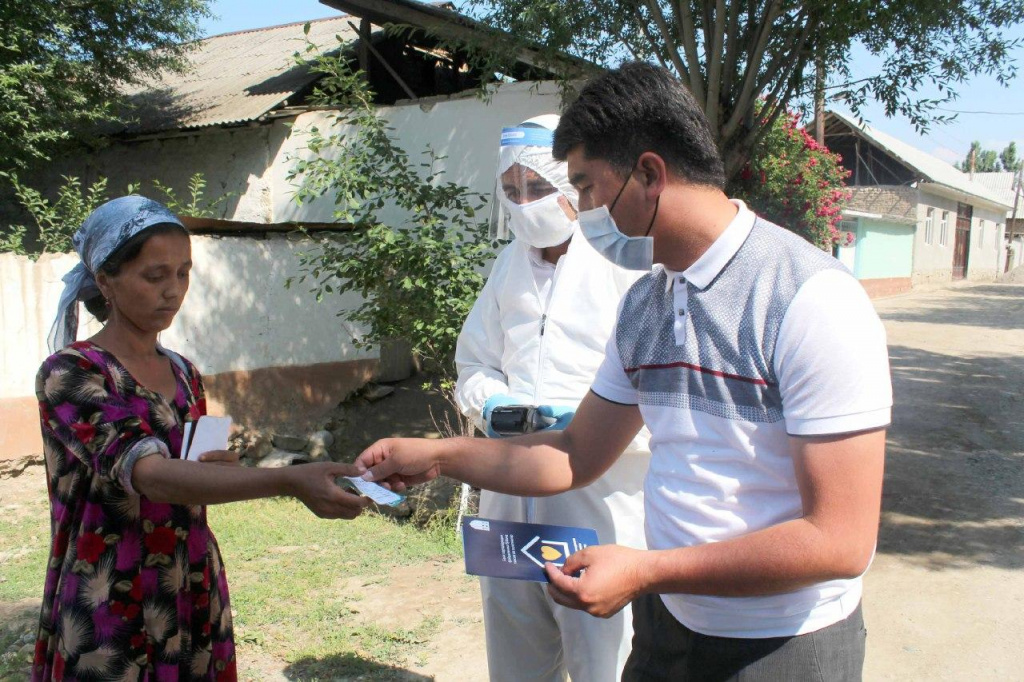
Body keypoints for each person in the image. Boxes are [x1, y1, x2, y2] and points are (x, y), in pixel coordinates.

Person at [357, 62, 892, 681]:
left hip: (778, 644)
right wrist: (435, 454)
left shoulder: (809, 300)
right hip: (667, 630)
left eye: (585, 188)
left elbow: (840, 541)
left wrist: (646, 570)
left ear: (649, 173)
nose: (579, 210)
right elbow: (574, 452)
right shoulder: (648, 305)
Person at [32, 196, 368, 681]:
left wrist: (214, 471)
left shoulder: (185, 373)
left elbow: (185, 472)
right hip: (108, 589)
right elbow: (151, 475)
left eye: (183, 273)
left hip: (187, 577)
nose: (173, 291)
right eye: (155, 276)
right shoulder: (72, 373)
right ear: (106, 280)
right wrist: (290, 481)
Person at [456, 114, 650, 681]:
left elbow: (660, 389)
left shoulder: (626, 266)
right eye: (511, 191)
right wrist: (493, 404)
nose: (524, 204)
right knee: (515, 652)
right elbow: (474, 361)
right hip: (510, 490)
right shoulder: (507, 266)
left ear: (571, 185)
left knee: (603, 658)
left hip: (598, 496)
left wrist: (590, 423)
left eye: (538, 187)